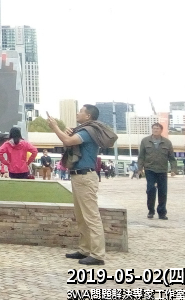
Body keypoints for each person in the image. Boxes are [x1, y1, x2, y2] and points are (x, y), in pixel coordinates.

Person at [49, 104, 117, 266]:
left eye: (81, 111)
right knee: (81, 216)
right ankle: (85, 249)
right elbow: (70, 141)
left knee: (91, 216)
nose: (77, 113)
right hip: (79, 176)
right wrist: (67, 132)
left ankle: (97, 254)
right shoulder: (83, 130)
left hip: (85, 177)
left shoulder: (88, 131)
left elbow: (67, 141)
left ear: (88, 116)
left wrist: (55, 127)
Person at [138, 122, 177, 220]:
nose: (155, 130)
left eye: (157, 128)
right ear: (152, 129)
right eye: (154, 128)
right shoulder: (145, 141)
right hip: (149, 169)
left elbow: (172, 158)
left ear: (161, 130)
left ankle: (162, 212)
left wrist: (173, 169)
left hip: (162, 170)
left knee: (163, 191)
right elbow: (141, 156)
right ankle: (151, 210)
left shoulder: (167, 142)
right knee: (151, 189)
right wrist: (140, 169)